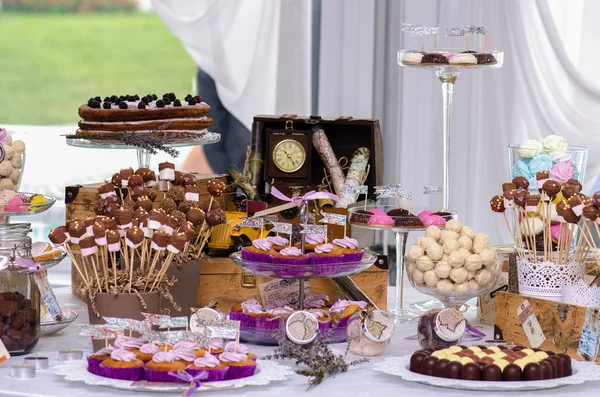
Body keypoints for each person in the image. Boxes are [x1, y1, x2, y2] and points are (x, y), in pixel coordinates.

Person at [151, 0, 312, 174]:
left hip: (253, 50)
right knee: (216, 142)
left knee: (244, 143)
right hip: (220, 52)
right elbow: (211, 137)